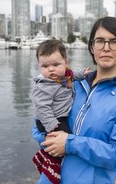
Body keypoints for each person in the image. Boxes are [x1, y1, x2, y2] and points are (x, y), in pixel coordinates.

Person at [32, 16, 116, 184]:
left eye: (114, 41)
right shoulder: (72, 84)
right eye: (100, 41)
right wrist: (50, 140)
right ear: (92, 47)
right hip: (49, 179)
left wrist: (70, 144)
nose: (106, 48)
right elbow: (37, 125)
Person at [31, 39, 91, 184]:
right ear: (39, 66)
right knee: (63, 142)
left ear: (65, 62)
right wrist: (52, 125)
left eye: (56, 65)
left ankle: (45, 155)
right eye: (45, 66)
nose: (51, 69)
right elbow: (41, 107)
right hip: (50, 120)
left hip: (58, 118)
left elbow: (72, 75)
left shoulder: (64, 76)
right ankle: (50, 162)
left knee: (64, 141)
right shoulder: (45, 85)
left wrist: (83, 73)